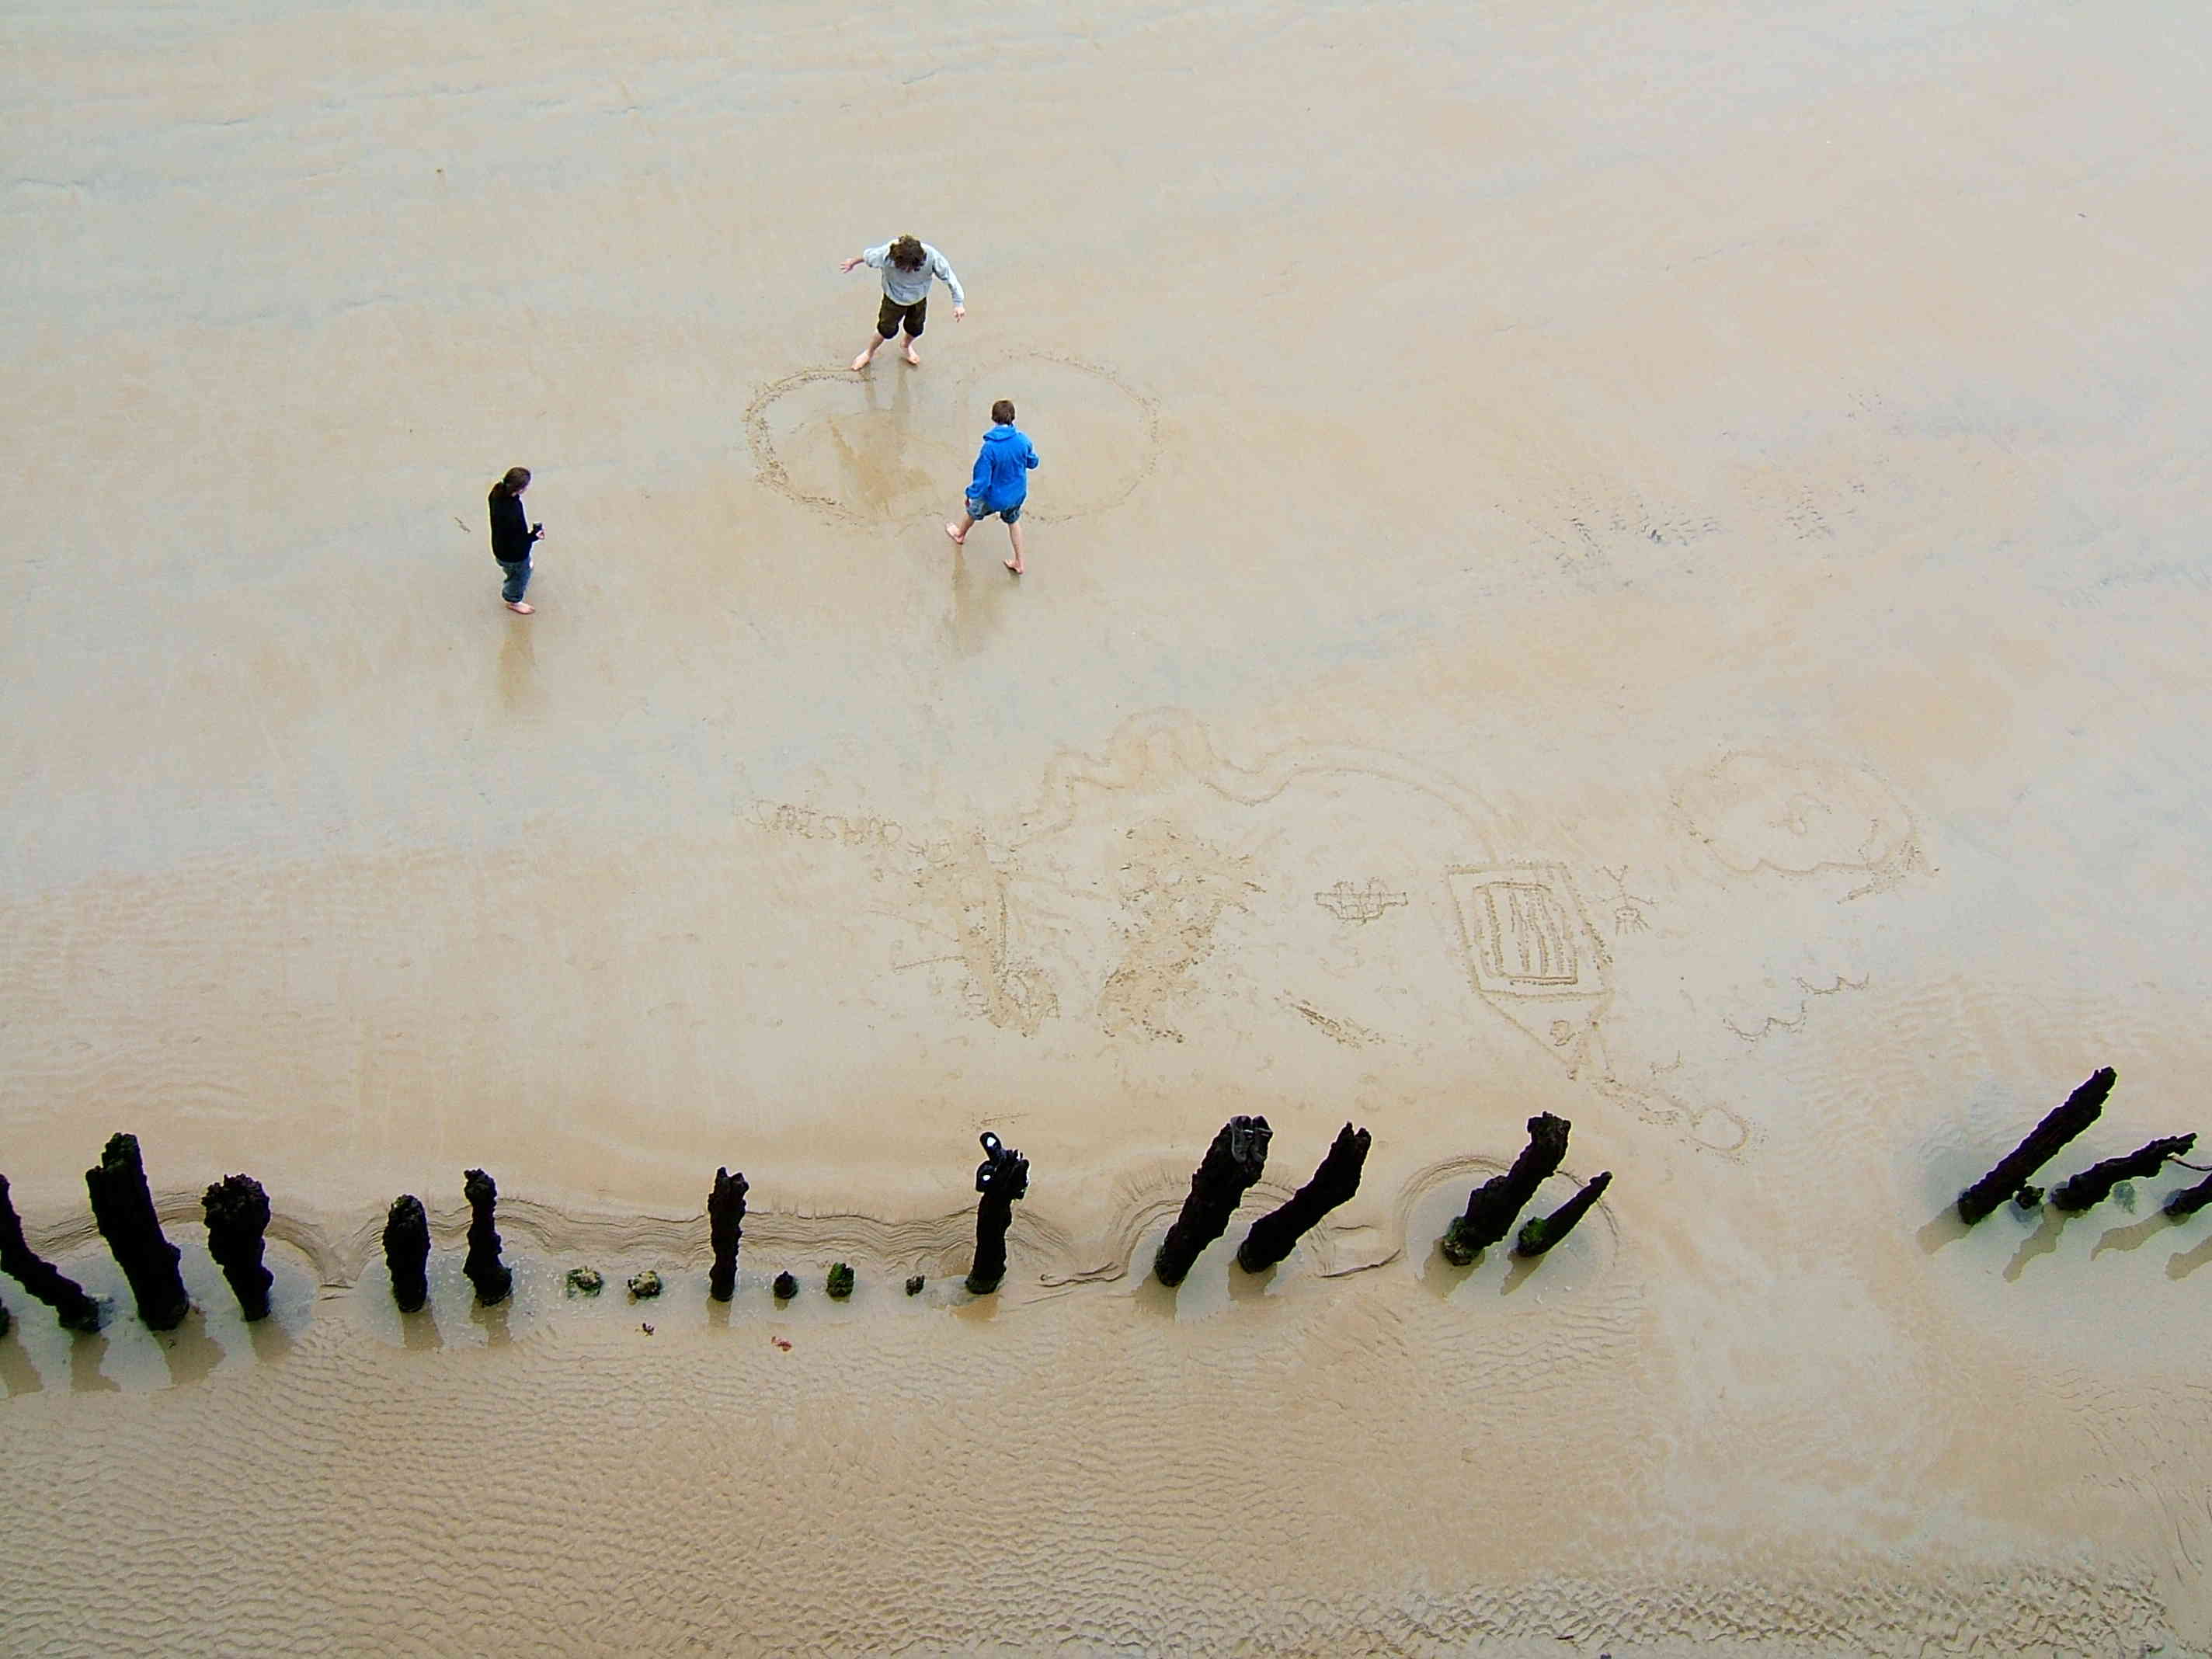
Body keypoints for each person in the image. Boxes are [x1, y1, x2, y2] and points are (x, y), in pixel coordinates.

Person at [840, 235, 965, 370]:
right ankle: (869, 353)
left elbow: (950, 277)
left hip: (918, 298)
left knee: (916, 329)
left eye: (911, 269)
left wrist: (958, 303)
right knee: (885, 331)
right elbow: (867, 256)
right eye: (904, 268)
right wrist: (852, 262)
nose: (907, 271)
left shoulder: (932, 257)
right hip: (893, 299)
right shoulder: (885, 254)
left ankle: (905, 345)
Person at [946, 400, 1039, 575]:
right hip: (1017, 494)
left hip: (993, 497)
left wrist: (970, 494)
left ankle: (959, 535)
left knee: (973, 512)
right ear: (1013, 418)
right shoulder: (1023, 440)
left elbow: (981, 480)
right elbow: (1033, 462)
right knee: (1013, 522)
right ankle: (1019, 562)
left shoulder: (990, 448)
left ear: (993, 419)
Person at [487, 466, 544, 614]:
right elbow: (518, 540)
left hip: (499, 547)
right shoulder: (511, 511)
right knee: (520, 577)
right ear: (520, 489)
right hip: (514, 555)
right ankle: (513, 600)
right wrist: (534, 536)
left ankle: (514, 572)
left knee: (512, 569)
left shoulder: (496, 492)